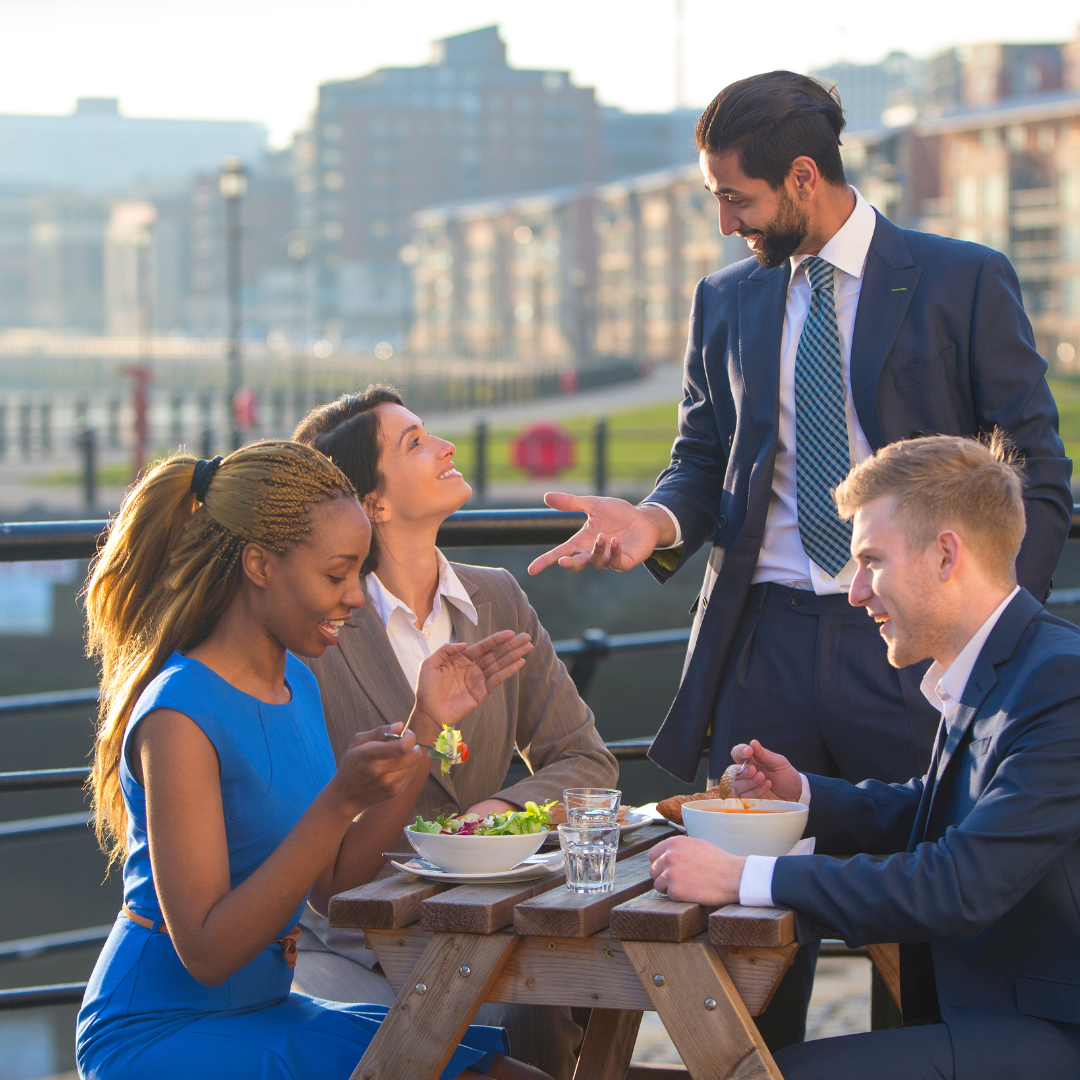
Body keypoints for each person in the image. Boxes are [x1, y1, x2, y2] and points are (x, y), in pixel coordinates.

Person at [527, 70, 1073, 1049]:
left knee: (924, 902)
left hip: (910, 637)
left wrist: (986, 627)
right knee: (740, 934)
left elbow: (1035, 460)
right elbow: (701, 460)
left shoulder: (961, 277)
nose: (727, 221)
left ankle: (937, 1055)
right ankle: (750, 1065)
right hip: (764, 642)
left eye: (736, 197)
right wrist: (654, 524)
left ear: (805, 177)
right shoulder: (727, 299)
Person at [76, 441, 548, 1080]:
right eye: (336, 574)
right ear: (259, 564)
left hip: (265, 1010)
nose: (356, 597)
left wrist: (427, 725)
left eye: (360, 572)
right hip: (158, 1034)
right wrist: (339, 802)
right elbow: (209, 954)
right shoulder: (178, 715)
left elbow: (339, 886)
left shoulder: (296, 681)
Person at [647, 433, 1080, 1079]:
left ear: (945, 555)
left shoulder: (1058, 683)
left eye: (871, 561)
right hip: (996, 1013)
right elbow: (937, 815)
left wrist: (742, 877)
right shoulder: (1010, 664)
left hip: (1050, 1031)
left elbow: (956, 884)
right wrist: (807, 797)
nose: (855, 593)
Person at [288, 387, 618, 1080]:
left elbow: (586, 761)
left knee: (549, 1003)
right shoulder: (316, 628)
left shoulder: (496, 596)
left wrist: (498, 815)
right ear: (371, 503)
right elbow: (305, 823)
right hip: (348, 945)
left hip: (485, 928)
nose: (447, 447)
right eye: (414, 443)